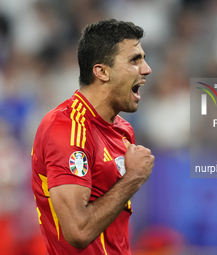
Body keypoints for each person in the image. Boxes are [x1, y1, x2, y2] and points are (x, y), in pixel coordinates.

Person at [31, 19, 154, 255]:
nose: (146, 69)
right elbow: (78, 231)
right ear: (102, 72)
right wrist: (133, 178)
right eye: (134, 60)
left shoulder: (123, 129)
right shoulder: (66, 128)